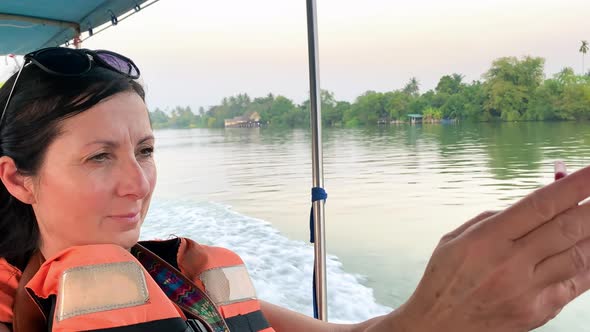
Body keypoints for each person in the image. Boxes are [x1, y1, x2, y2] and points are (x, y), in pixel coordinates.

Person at [0, 47, 589, 332]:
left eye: (146, 151)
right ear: (17, 178)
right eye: (99, 157)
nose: (138, 183)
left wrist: (443, 309)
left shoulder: (173, 280)